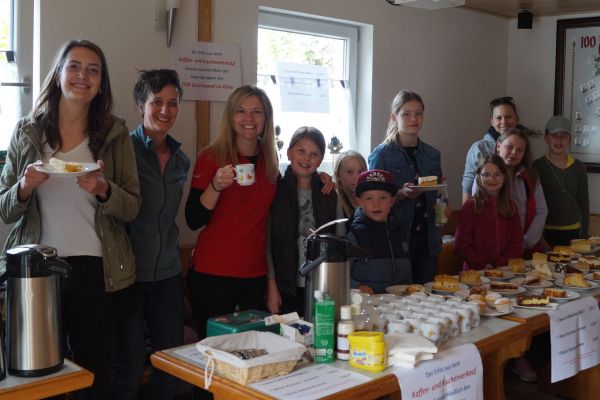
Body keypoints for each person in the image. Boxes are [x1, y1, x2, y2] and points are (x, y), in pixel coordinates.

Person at [0, 39, 140, 399]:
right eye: (74, 66)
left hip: (96, 270)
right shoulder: (27, 131)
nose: (83, 76)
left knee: (94, 375)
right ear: (59, 74)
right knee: (38, 375)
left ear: (101, 83)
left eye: (93, 70)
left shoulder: (115, 134)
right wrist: (24, 187)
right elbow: (5, 209)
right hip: (36, 271)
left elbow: (132, 207)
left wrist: (104, 189)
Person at [116, 69, 189, 400]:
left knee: (169, 367)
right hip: (129, 276)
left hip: (168, 276)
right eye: (156, 102)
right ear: (140, 105)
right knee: (129, 370)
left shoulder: (180, 159)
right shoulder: (123, 151)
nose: (165, 110)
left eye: (173, 103)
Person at [185, 85, 279, 339]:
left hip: (254, 274)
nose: (249, 118)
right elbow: (193, 219)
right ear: (230, 116)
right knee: (214, 350)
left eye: (257, 112)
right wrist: (216, 185)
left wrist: (325, 179)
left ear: (266, 118)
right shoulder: (211, 157)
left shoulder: (271, 160)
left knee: (252, 348)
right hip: (212, 273)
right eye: (241, 111)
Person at [368, 90, 448, 284]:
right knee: (398, 295)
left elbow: (439, 192)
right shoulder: (382, 155)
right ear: (394, 117)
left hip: (427, 240)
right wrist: (401, 194)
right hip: (396, 239)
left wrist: (443, 208)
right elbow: (372, 200)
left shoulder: (432, 155)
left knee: (426, 294)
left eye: (418, 113)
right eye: (406, 114)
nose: (414, 119)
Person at [266, 126, 342, 316]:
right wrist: (271, 286)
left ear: (321, 159)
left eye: (314, 154)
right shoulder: (274, 192)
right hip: (284, 287)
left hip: (322, 285)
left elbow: (339, 243)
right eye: (301, 151)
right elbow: (266, 244)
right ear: (289, 153)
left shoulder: (329, 194)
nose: (307, 158)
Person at [347, 169, 411, 294]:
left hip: (401, 301)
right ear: (359, 202)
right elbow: (341, 274)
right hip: (368, 302)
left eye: (383, 197)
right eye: (369, 198)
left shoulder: (401, 231)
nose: (376, 204)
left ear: (392, 201)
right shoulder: (354, 235)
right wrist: (357, 286)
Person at [454, 155, 523, 270]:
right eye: (486, 174)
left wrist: (500, 265)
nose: (492, 179)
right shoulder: (470, 207)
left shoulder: (511, 207)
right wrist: (483, 265)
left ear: (504, 177)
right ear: (479, 177)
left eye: (497, 174)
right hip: (475, 272)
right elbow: (461, 245)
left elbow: (517, 243)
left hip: (504, 271)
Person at [490, 128, 548, 256]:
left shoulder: (531, 176)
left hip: (525, 245)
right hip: (495, 246)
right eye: (509, 147)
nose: (514, 153)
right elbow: (481, 213)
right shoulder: (486, 175)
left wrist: (526, 241)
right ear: (498, 146)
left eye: (520, 150)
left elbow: (541, 210)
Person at [533, 115, 589, 246]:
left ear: (570, 139)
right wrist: (537, 235)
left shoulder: (579, 167)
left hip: (574, 231)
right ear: (546, 137)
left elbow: (584, 205)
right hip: (545, 232)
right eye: (554, 135)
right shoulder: (537, 167)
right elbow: (533, 204)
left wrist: (583, 236)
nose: (559, 140)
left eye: (564, 136)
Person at [462, 96, 520, 204]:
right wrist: (466, 211)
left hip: (514, 209)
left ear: (517, 119)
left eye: (509, 117)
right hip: (483, 209)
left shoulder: (521, 147)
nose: (504, 121)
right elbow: (467, 186)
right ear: (492, 121)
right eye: (499, 118)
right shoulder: (479, 148)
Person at [334, 150, 367, 219]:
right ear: (338, 175)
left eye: (360, 172)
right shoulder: (334, 201)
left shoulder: (373, 200)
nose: (356, 177)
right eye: (349, 172)